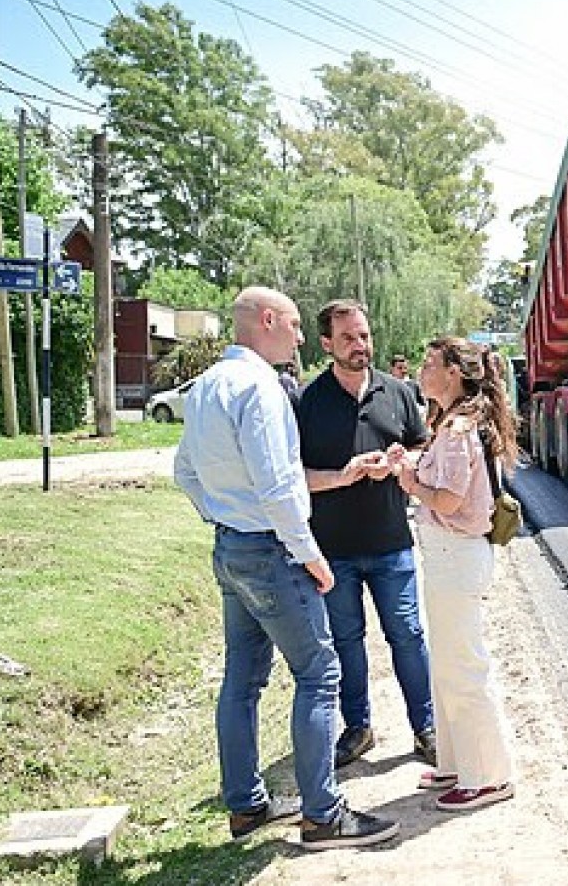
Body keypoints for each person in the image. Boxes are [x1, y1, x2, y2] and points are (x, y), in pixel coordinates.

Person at [173, 286, 399, 850]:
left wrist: (221, 515)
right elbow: (279, 487)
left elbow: (185, 473)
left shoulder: (205, 387)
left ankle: (246, 806)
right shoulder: (262, 389)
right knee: (319, 674)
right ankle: (323, 816)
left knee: (242, 681)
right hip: (273, 550)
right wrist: (310, 554)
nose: (301, 339)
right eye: (296, 326)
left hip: (231, 548)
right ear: (269, 320)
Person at [296, 300, 436, 769]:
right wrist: (344, 475)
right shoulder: (307, 402)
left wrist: (399, 464)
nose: (360, 345)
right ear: (326, 344)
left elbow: (422, 450)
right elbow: (293, 477)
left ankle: (426, 727)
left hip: (392, 543)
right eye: (348, 338)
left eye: (364, 335)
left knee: (408, 636)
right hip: (333, 550)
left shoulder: (397, 393)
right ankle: (358, 728)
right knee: (346, 642)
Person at [389, 337, 519, 813]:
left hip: (457, 556)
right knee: (447, 664)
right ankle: (456, 763)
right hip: (450, 555)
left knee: (463, 667)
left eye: (429, 364)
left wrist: (409, 482)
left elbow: (448, 500)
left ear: (453, 374)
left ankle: (488, 777)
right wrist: (410, 465)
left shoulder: (459, 428)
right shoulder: (451, 423)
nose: (420, 371)